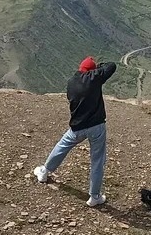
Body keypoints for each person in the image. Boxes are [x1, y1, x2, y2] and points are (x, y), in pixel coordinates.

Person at [33, 56, 117, 207]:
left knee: (62, 146)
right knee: (97, 161)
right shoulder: (95, 78)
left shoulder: (71, 82)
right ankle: (95, 196)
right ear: (92, 71)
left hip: (77, 126)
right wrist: (98, 68)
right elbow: (111, 66)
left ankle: (44, 172)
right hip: (97, 126)